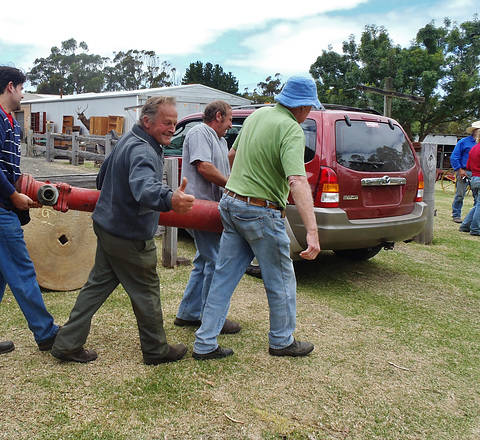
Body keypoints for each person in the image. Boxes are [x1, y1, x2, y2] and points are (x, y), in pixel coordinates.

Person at [51, 96, 195, 365]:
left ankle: (68, 343)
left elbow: (101, 177)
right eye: (167, 122)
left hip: (107, 227)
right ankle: (156, 350)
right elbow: (144, 188)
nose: (172, 128)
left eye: (174, 123)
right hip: (129, 234)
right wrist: (169, 199)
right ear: (147, 121)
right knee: (147, 290)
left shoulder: (128, 141)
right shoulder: (143, 151)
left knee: (96, 286)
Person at [192, 76, 321, 361]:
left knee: (223, 278)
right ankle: (281, 340)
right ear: (301, 107)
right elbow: (297, 180)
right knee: (282, 280)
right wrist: (312, 231)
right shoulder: (291, 129)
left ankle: (205, 342)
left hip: (232, 203)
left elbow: (233, 154)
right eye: (310, 107)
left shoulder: (258, 115)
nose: (309, 113)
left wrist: (241, 182)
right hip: (261, 212)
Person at [0, 65, 59, 358]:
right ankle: (47, 334)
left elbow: (2, 166)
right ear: (10, 87)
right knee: (21, 271)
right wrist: (12, 195)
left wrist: (21, 189)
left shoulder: (2, 118)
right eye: (21, 88)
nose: (22, 93)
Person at [174, 100, 241, 335]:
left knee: (203, 261)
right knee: (215, 261)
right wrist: (233, 186)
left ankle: (188, 313)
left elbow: (221, 167)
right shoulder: (199, 132)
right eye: (230, 119)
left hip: (211, 207)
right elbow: (203, 167)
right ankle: (211, 318)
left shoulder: (221, 140)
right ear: (219, 116)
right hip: (198, 207)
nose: (231, 126)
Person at [450, 120, 480, 223]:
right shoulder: (463, 142)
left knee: (477, 197)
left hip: (475, 172)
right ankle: (456, 214)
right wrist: (459, 169)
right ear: (474, 131)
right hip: (464, 170)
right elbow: (454, 157)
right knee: (460, 194)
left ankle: (474, 218)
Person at [459, 125, 480, 235]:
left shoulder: (473, 149)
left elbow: (469, 166)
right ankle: (475, 229)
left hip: (474, 178)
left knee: (477, 204)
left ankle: (465, 225)